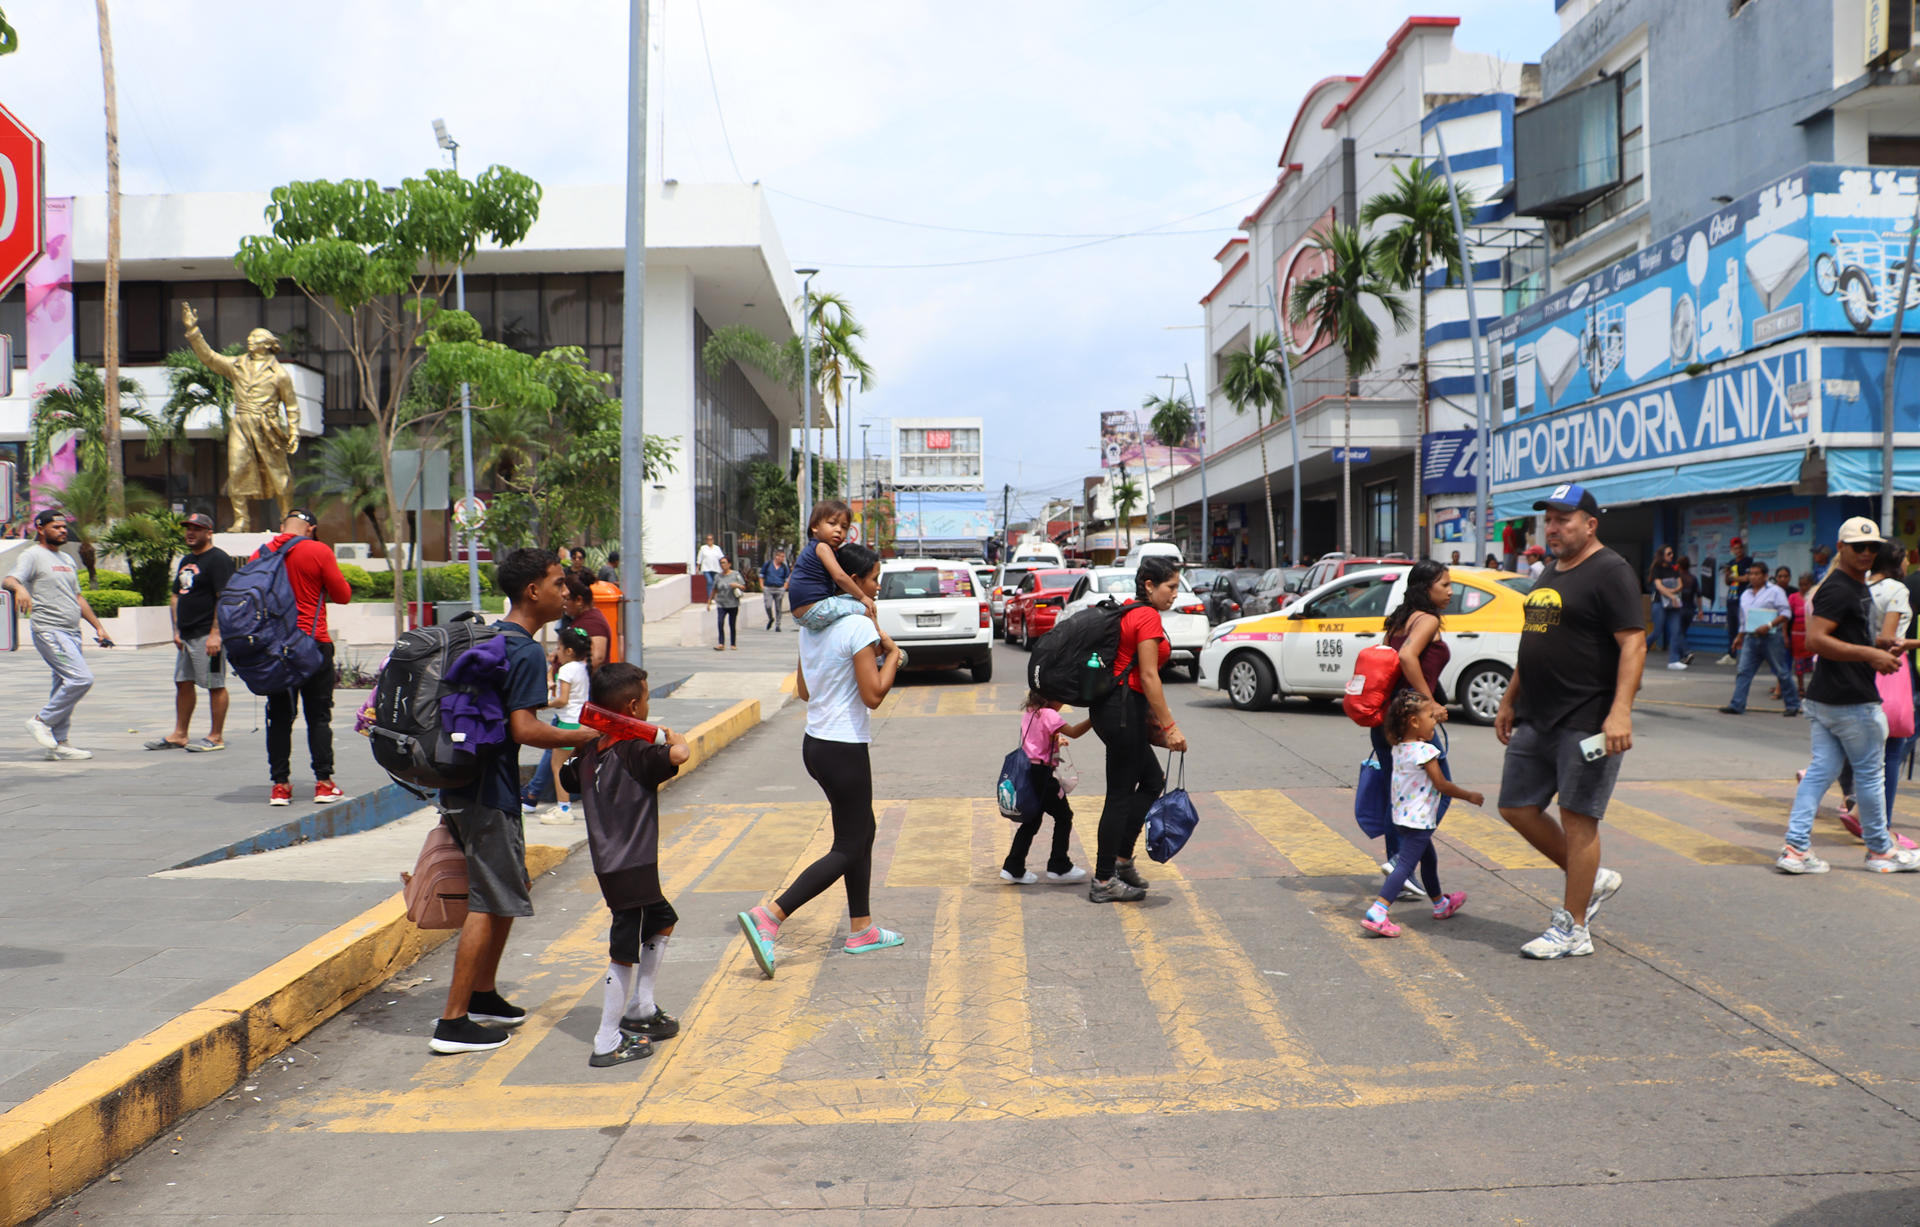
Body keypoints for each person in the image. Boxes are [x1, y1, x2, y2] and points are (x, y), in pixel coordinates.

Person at [432, 548, 601, 1054]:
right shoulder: (525, 649)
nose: (564, 592)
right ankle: (453, 1022)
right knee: (488, 901)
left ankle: (482, 995)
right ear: (533, 591)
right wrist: (583, 736)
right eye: (556, 583)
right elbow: (524, 729)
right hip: (490, 792)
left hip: (464, 785)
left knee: (503, 892)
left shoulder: (493, 637)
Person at [736, 542, 905, 978]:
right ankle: (771, 915)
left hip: (816, 744)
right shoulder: (857, 626)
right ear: (850, 581)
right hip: (844, 747)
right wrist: (895, 658)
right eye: (873, 580)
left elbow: (805, 691)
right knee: (852, 842)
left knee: (858, 833)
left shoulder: (809, 627)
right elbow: (873, 696)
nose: (877, 588)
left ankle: (862, 928)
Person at [1492, 484, 1637, 960]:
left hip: (1586, 716)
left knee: (1579, 820)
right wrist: (1511, 696)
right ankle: (1591, 880)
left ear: (1590, 524)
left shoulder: (1611, 570)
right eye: (1548, 520)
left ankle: (1573, 927)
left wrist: (1620, 711)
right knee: (1516, 806)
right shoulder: (1550, 570)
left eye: (1564, 519)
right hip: (1537, 712)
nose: (1553, 528)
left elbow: (1633, 645)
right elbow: (1535, 637)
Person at [558, 661, 692, 1067]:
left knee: (662, 918)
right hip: (630, 865)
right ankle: (607, 1039)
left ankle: (642, 1007)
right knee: (623, 948)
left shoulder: (588, 752)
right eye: (647, 699)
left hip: (615, 866)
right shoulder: (636, 751)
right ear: (632, 707)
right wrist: (675, 738)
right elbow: (679, 754)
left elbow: (565, 778)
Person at [1777, 521, 1920, 875]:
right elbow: (1816, 640)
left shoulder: (1856, 586)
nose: (1867, 553)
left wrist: (1882, 646)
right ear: (1841, 547)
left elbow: (1843, 637)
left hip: (1828, 697)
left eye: (1872, 547)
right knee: (1870, 777)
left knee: (1820, 772)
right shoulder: (1840, 589)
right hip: (1851, 699)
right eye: (1858, 547)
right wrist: (1870, 656)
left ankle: (1795, 849)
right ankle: (1880, 851)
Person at [1087, 556, 1189, 904]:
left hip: (1115, 710)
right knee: (1119, 795)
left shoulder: (1129, 610)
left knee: (1150, 781)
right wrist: (1170, 727)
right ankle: (1103, 880)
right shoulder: (1146, 615)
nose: (1175, 594)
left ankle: (1121, 860)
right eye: (1170, 587)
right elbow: (1148, 676)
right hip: (1122, 712)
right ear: (1149, 585)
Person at [1362, 691, 1484, 937]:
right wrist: (1468, 795)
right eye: (1430, 716)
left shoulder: (1399, 748)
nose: (1435, 720)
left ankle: (1440, 904)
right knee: (1405, 865)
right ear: (1415, 722)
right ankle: (1378, 910)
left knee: (1429, 859)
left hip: (1401, 818)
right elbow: (1442, 785)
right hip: (1419, 821)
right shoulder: (1425, 752)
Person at [253, 509, 353, 807]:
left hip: (275, 649)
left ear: (282, 527)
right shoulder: (318, 550)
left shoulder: (261, 553)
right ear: (311, 528)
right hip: (313, 644)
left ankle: (280, 786)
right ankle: (323, 783)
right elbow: (343, 595)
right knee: (318, 717)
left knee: (280, 717)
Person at [1370, 559, 1453, 901]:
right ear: (1426, 588)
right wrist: (1430, 703)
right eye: (1444, 585)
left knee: (1399, 792)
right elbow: (1407, 658)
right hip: (1413, 721)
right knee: (1442, 789)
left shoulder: (1401, 619)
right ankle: (1404, 860)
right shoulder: (1428, 620)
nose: (1450, 591)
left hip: (1389, 718)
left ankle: (1397, 864)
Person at [4, 509, 112, 760]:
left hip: (71, 632)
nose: (63, 530)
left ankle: (59, 743)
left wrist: (98, 626)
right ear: (40, 529)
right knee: (80, 679)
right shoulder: (33, 555)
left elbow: (77, 597)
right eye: (56, 527)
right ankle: (40, 721)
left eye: (64, 527)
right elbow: (9, 579)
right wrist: (20, 589)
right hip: (50, 631)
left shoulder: (67, 559)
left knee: (64, 683)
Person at [1831, 540, 1920, 845]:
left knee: (1871, 748)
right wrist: (1911, 642)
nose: (1908, 565)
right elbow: (1888, 638)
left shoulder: (1861, 585)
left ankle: (1858, 809)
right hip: (1890, 668)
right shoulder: (1896, 589)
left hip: (1859, 668)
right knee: (1894, 748)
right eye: (1905, 559)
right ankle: (1878, 824)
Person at [148, 513, 233, 752]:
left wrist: (216, 633)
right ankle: (179, 734)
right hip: (187, 635)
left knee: (214, 683)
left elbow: (224, 597)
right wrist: (176, 629)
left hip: (208, 634)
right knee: (183, 683)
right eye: (188, 528)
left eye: (197, 528)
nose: (190, 532)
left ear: (209, 532)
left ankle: (216, 736)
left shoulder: (218, 560)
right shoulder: (186, 559)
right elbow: (176, 594)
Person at [1003, 690, 1091, 885]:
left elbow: (1036, 738)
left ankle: (1013, 866)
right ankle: (1059, 865)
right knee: (1064, 816)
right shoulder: (1050, 714)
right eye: (1062, 697)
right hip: (1042, 776)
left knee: (1032, 822)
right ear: (1050, 697)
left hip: (1029, 772)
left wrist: (1056, 739)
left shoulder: (1031, 711)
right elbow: (1075, 732)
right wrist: (1095, 718)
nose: (1063, 702)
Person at [1719, 562, 1799, 717]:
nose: (1753, 577)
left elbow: (1786, 613)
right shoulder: (1745, 594)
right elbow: (1743, 619)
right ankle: (1737, 704)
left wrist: (1769, 625)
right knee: (1743, 671)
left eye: (1757, 574)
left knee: (1782, 671)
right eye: (1751, 574)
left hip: (1771, 637)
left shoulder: (1775, 591)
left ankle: (1792, 704)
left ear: (1765, 576)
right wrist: (1739, 636)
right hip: (1750, 637)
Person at [533, 627, 593, 825]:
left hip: (567, 723)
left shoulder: (567, 669)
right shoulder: (583, 667)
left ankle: (564, 809)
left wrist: (543, 704)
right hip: (581, 722)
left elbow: (563, 700)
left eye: (558, 647)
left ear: (568, 651)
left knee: (558, 766)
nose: (555, 651)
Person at [786, 500, 877, 632]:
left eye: (844, 527)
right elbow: (839, 576)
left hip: (799, 615)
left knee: (848, 600)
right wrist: (863, 597)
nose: (838, 530)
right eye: (832, 523)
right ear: (815, 526)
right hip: (816, 608)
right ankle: (880, 638)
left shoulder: (810, 550)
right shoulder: (822, 547)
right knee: (867, 609)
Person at [557, 577, 611, 669]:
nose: (563, 603)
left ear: (579, 600)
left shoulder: (593, 622)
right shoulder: (580, 619)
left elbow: (597, 658)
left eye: (566, 599)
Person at [1718, 536, 1755, 663]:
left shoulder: (1748, 561)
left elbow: (1747, 578)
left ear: (1742, 549)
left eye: (1739, 548)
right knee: (1732, 628)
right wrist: (1728, 574)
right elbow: (1727, 582)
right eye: (1735, 549)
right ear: (1732, 550)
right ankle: (1731, 654)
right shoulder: (1731, 562)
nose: (1737, 551)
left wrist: (1734, 578)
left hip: (1743, 598)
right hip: (1731, 598)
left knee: (1745, 627)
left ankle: (1749, 654)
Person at [1647, 545, 1684, 667]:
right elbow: (1659, 587)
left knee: (1675, 630)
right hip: (1660, 602)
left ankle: (1674, 660)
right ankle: (1639, 651)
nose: (1672, 555)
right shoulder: (1656, 569)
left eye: (1672, 553)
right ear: (1662, 555)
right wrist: (1672, 595)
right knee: (1657, 631)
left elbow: (1680, 585)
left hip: (1673, 604)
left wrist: (1673, 591)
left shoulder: (1674, 568)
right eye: (1669, 553)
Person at [709, 556, 744, 651]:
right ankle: (721, 643)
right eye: (721, 563)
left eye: (724, 563)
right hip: (721, 603)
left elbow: (743, 587)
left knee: (732, 624)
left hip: (733, 603)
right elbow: (714, 589)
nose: (722, 565)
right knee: (720, 622)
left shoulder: (735, 574)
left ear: (729, 564)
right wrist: (709, 602)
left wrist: (736, 585)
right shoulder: (718, 576)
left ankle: (733, 643)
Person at [760, 547, 791, 632]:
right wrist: (762, 586)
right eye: (780, 556)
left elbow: (787, 578)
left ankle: (778, 625)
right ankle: (770, 618)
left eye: (783, 557)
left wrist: (784, 588)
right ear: (776, 556)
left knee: (778, 607)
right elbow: (761, 575)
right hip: (768, 587)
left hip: (779, 588)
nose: (782, 558)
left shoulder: (784, 567)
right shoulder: (768, 564)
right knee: (768, 605)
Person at [696, 534, 724, 598]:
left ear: (713, 540)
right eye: (708, 539)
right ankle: (710, 597)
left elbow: (721, 558)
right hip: (706, 568)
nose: (709, 541)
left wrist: (723, 567)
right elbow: (699, 558)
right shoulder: (703, 548)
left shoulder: (717, 548)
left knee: (715, 583)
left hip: (715, 568)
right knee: (709, 581)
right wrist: (697, 567)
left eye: (711, 539)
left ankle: (715, 596)